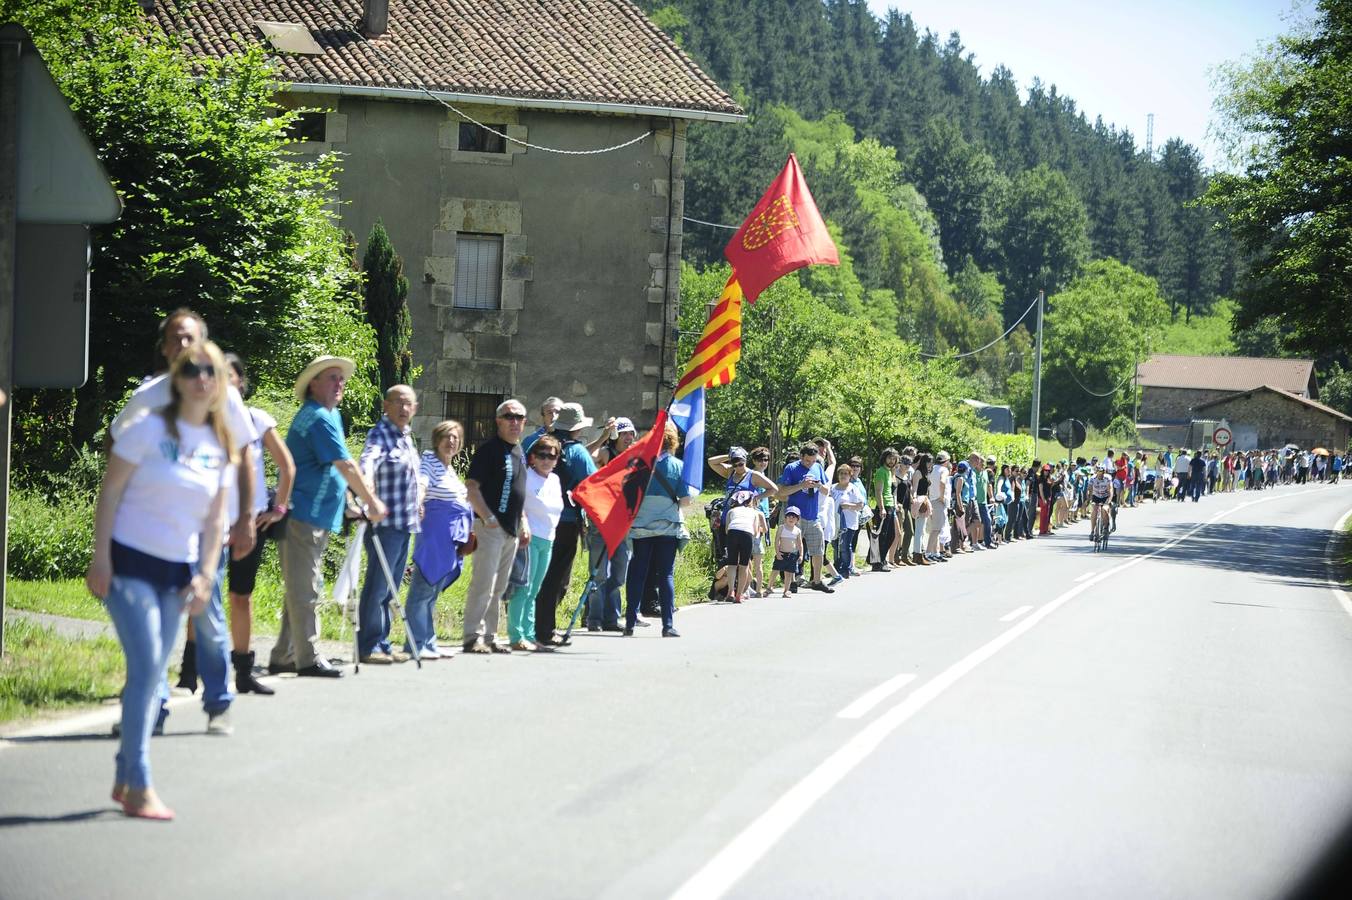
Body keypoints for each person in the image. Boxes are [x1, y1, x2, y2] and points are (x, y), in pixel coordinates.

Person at [87, 342, 236, 819]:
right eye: (191, 369)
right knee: (150, 666)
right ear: (177, 377)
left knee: (150, 672)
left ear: (220, 382)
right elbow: (109, 493)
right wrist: (100, 559)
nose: (201, 378)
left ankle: (124, 770)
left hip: (178, 573)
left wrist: (206, 575)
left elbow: (215, 523)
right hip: (128, 564)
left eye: (210, 371)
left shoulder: (220, 446)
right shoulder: (146, 430)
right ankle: (141, 785)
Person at [113, 310, 257, 733]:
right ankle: (150, 711)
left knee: (207, 619)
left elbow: (245, 452)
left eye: (190, 339)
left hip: (204, 532)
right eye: (175, 340)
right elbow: (116, 440)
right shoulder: (150, 395)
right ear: (164, 349)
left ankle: (218, 701)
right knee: (152, 629)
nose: (182, 347)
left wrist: (246, 517)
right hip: (153, 532)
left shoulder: (222, 394)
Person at [268, 356, 387, 678]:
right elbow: (345, 465)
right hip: (304, 515)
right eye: (331, 378)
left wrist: (349, 503)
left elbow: (328, 469)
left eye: (341, 379)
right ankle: (308, 658)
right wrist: (371, 500)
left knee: (301, 587)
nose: (339, 384)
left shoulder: (326, 415)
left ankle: (283, 655)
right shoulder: (318, 416)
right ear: (313, 384)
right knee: (306, 589)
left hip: (315, 514)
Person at [223, 354, 294, 695]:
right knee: (200, 594)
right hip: (210, 521)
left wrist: (278, 508)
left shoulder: (256, 420)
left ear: (241, 381)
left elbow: (287, 466)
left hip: (249, 523)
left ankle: (243, 673)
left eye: (231, 375)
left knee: (241, 596)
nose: (225, 381)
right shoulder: (200, 420)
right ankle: (189, 671)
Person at [356, 386, 422, 665]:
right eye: (397, 403)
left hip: (405, 523)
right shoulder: (381, 433)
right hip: (385, 524)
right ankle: (368, 644)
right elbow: (368, 460)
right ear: (386, 405)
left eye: (408, 404)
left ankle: (382, 642)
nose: (403, 408)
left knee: (392, 586)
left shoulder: (406, 436)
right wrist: (367, 489)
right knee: (378, 585)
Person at [463, 399, 531, 654]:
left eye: (519, 417)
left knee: (500, 587)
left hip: (511, 530)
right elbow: (472, 488)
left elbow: (518, 492)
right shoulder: (489, 450)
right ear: (498, 421)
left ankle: (490, 636)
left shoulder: (519, 451)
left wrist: (523, 521)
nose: (514, 422)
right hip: (490, 528)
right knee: (483, 583)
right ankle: (472, 636)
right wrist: (487, 518)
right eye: (509, 416)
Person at [404, 420, 474, 659]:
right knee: (422, 589)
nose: (451, 441)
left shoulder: (450, 469)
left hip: (450, 540)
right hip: (434, 536)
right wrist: (419, 499)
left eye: (455, 437)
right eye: (446, 436)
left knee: (433, 592)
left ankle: (429, 642)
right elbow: (421, 483)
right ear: (436, 440)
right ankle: (415, 643)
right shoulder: (430, 462)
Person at [533, 403, 599, 642]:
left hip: (535, 518)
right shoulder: (577, 451)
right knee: (556, 578)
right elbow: (593, 483)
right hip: (566, 520)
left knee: (537, 575)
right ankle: (545, 630)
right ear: (577, 428)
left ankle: (532, 626)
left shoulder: (539, 444)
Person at [624, 421, 688, 636]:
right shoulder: (678, 466)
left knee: (637, 573)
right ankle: (668, 625)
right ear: (673, 440)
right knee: (666, 575)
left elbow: (628, 495)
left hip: (641, 526)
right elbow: (686, 500)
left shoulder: (639, 464)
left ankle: (630, 623)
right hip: (668, 526)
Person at [506, 435, 565, 651]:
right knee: (523, 588)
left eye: (551, 456)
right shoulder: (526, 477)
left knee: (535, 590)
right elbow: (516, 503)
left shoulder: (555, 480)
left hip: (548, 538)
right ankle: (516, 634)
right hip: (528, 538)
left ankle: (529, 635)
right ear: (533, 457)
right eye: (542, 455)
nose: (546, 460)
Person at [778, 444, 833, 592]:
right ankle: (792, 581)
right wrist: (801, 484)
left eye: (813, 461)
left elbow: (826, 490)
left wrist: (819, 485)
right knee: (792, 549)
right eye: (807, 461)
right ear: (801, 456)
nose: (810, 464)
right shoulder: (791, 468)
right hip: (795, 517)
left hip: (813, 516)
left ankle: (817, 580)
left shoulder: (818, 467)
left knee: (818, 550)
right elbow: (782, 491)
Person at [723, 490, 762, 602]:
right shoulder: (754, 512)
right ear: (750, 501)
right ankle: (739, 595)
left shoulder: (732, 510)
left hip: (732, 532)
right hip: (747, 534)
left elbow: (726, 530)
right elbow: (755, 532)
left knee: (732, 564)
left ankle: (731, 591)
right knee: (744, 566)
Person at [831, 464, 866, 578]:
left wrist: (848, 506)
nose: (843, 476)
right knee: (836, 545)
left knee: (845, 545)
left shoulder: (853, 489)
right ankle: (837, 567)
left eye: (846, 473)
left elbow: (861, 505)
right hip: (834, 522)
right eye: (841, 473)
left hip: (848, 522)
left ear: (850, 475)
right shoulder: (833, 488)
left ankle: (846, 568)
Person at [872, 449, 900, 571]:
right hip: (884, 507)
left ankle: (880, 560)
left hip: (891, 506)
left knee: (891, 535)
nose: (891, 461)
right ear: (884, 458)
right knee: (883, 536)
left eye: (894, 459)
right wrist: (882, 508)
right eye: (890, 458)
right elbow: (878, 491)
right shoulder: (881, 471)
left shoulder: (889, 472)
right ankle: (879, 562)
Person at [773, 507, 805, 597]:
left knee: (789, 573)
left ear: (797, 519)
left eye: (794, 517)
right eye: (789, 516)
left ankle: (786, 590)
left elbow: (800, 544)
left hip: (793, 555)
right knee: (775, 570)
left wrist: (801, 555)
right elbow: (777, 541)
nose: (791, 518)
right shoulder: (781, 528)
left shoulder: (798, 530)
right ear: (785, 518)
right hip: (782, 553)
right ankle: (769, 587)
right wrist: (778, 552)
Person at [1088, 463, 1113, 539]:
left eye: (1101, 472)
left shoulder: (1107, 478)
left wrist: (1108, 501)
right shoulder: (1092, 478)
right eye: (1098, 471)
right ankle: (1092, 531)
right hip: (1096, 496)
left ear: (1104, 472)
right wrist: (1088, 499)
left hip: (1105, 496)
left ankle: (1105, 528)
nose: (1100, 473)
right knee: (1094, 512)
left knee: (1104, 509)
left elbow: (1110, 490)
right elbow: (1089, 490)